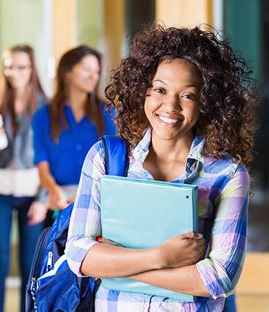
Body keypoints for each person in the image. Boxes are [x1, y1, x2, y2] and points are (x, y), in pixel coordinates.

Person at [66, 25, 257, 311]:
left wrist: (116, 266)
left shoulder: (227, 175)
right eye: (160, 89)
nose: (170, 106)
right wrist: (162, 257)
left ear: (206, 102)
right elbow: (79, 256)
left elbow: (218, 278)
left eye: (188, 95)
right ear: (142, 90)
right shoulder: (105, 159)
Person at [0, 44, 48, 312]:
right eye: (9, 66)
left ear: (32, 69)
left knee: (28, 264)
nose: (14, 72)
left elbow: (49, 158)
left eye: (21, 66)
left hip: (32, 191)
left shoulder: (45, 107)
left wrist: (42, 198)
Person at [32, 45, 116, 220]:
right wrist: (54, 191)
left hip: (97, 200)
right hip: (58, 201)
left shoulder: (108, 113)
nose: (94, 76)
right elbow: (42, 166)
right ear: (67, 72)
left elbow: (113, 161)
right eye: (86, 69)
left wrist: (88, 195)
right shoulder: (43, 116)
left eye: (97, 71)